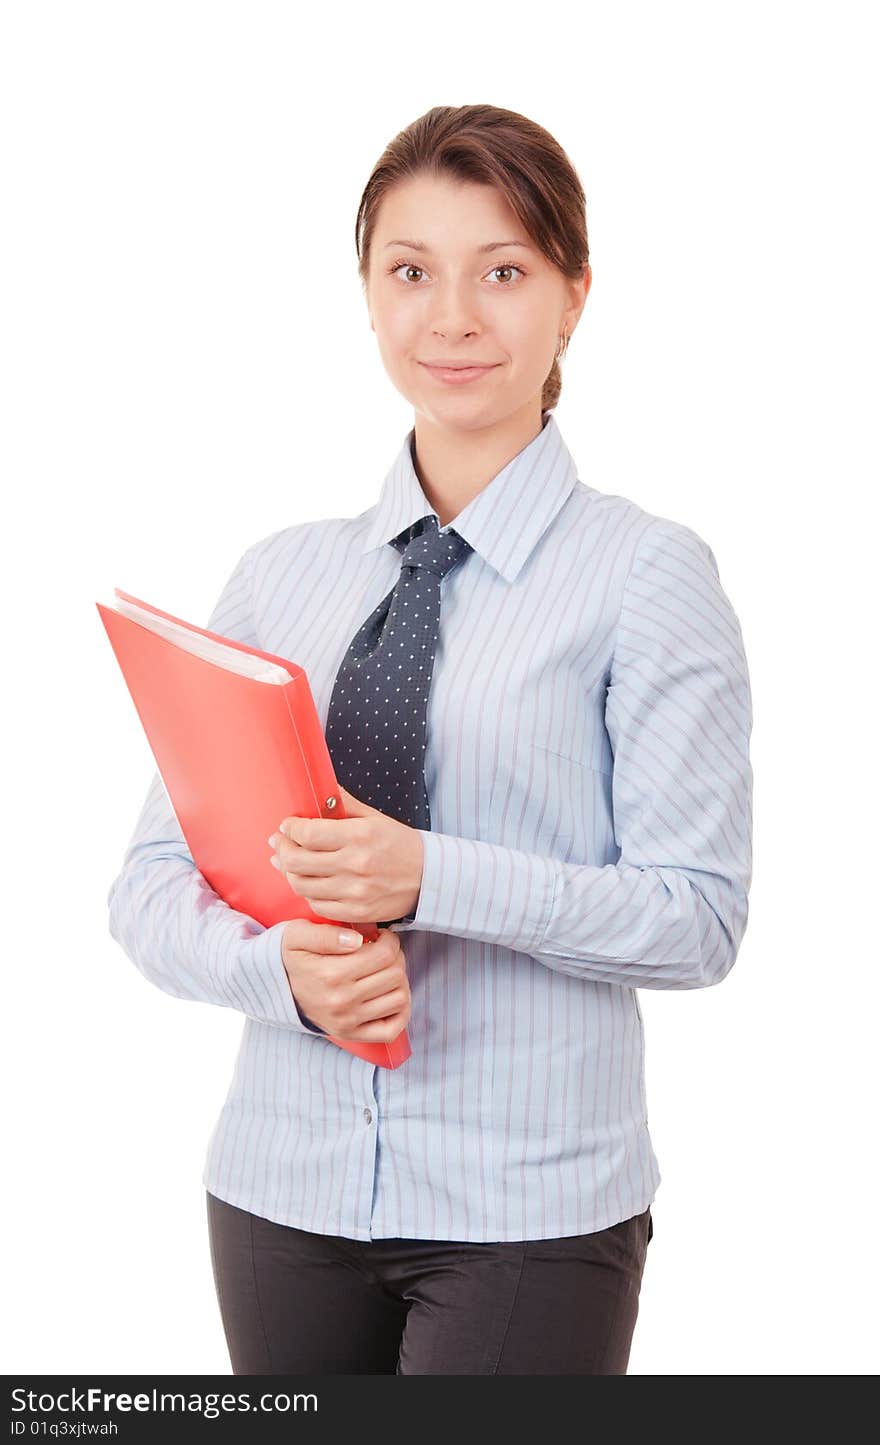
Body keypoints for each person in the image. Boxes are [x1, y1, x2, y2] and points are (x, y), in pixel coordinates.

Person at [107, 103, 753, 1375]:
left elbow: (698, 918)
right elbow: (146, 887)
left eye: (501, 271)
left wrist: (432, 876)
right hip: (279, 1192)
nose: (451, 316)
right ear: (366, 292)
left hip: (528, 1214)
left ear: (572, 294)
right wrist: (281, 974)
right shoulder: (279, 576)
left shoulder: (646, 574)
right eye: (410, 271)